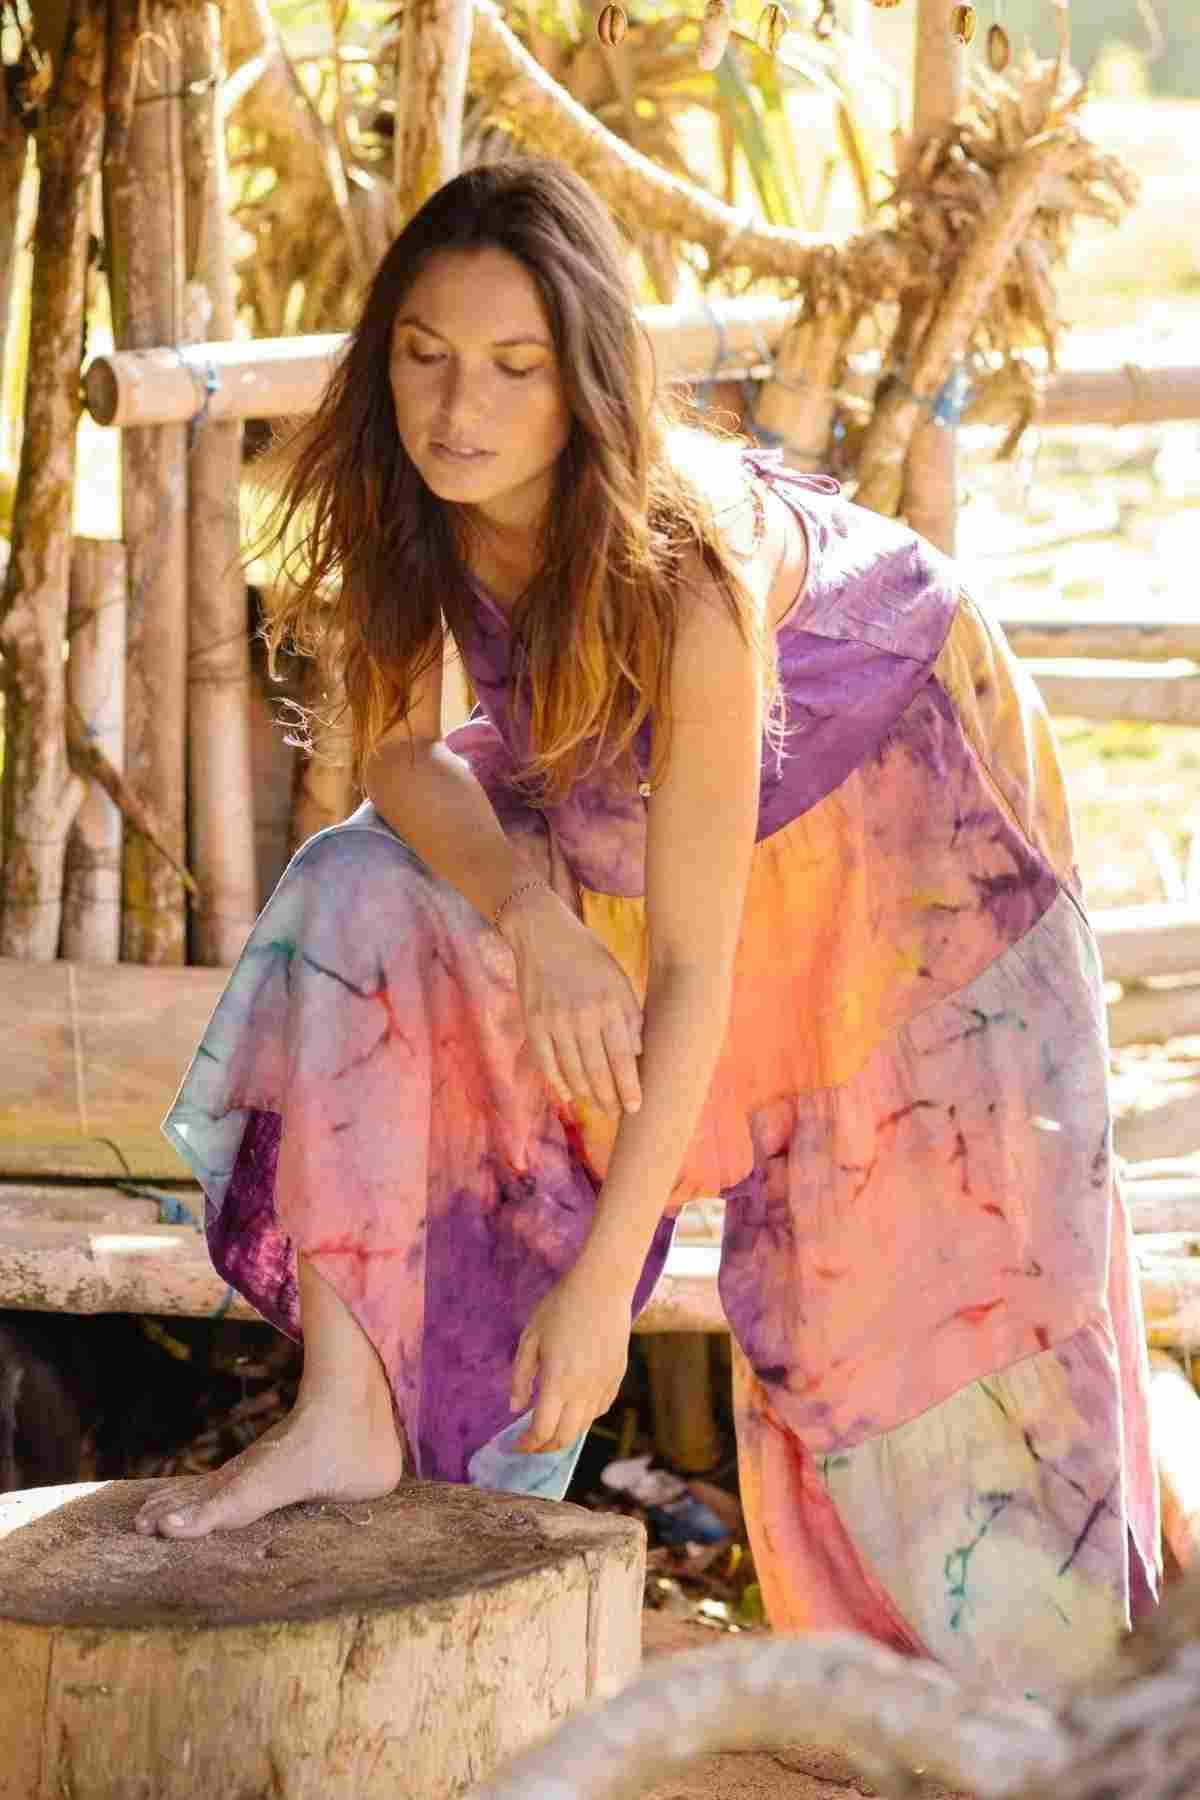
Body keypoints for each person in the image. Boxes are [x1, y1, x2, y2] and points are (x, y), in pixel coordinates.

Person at [135, 156, 1159, 1690]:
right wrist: (530, 915)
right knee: (352, 890)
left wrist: (608, 1290)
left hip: (910, 824)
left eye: (511, 366)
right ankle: (346, 1410)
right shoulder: (413, 501)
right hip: (635, 804)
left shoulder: (685, 576)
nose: (454, 408)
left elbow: (691, 962)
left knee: (915, 1331)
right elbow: (401, 753)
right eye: (422, 354)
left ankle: (1078, 1728)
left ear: (586, 383)